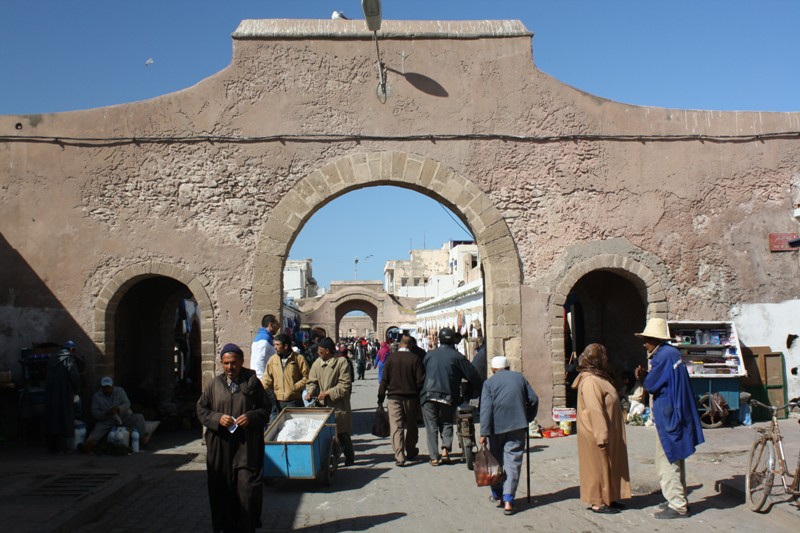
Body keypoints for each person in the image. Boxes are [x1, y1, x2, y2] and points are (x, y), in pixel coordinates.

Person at [636, 318, 704, 519]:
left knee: (668, 459)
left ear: (655, 340)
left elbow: (651, 384)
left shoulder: (662, 357)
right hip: (677, 410)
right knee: (676, 457)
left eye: (647, 340)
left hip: (669, 415)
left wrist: (642, 377)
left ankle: (677, 504)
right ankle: (677, 498)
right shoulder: (671, 354)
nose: (644, 344)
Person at [197, 343, 269, 533]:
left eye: (234, 363)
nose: (230, 367)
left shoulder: (253, 383)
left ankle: (247, 526)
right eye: (226, 363)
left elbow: (265, 409)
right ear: (221, 363)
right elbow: (201, 409)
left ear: (241, 361)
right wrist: (217, 418)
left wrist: (251, 417)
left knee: (247, 490)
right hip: (221, 448)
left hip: (246, 447)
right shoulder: (214, 385)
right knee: (222, 489)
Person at [572, 343, 631, 514]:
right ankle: (598, 501)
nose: (606, 359)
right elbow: (594, 409)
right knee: (597, 467)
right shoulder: (590, 381)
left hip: (607, 431)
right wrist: (601, 434)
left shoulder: (599, 377)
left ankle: (609, 497)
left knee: (608, 466)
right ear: (595, 359)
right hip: (596, 433)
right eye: (603, 356)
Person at [479, 356, 538, 516]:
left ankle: (497, 493)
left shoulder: (489, 383)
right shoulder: (519, 378)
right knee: (513, 461)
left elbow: (486, 409)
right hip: (517, 425)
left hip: (496, 428)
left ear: (492, 370)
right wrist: (527, 418)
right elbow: (533, 399)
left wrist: (483, 432)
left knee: (495, 461)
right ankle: (508, 499)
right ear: (509, 367)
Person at [421, 327, 484, 466]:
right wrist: (483, 387)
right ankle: (445, 451)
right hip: (448, 395)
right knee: (446, 422)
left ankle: (434, 457)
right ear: (453, 342)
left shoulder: (430, 355)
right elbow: (472, 374)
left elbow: (423, 372)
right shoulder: (457, 356)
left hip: (428, 395)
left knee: (431, 426)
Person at [305, 338, 355, 466]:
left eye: (320, 351)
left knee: (342, 432)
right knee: (326, 433)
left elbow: (344, 385)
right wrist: (310, 391)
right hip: (322, 405)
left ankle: (350, 456)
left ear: (328, 351)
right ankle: (330, 457)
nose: (318, 353)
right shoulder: (317, 363)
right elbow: (312, 381)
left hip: (338, 405)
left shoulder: (341, 363)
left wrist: (328, 393)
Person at [378, 335, 425, 467]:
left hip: (393, 398)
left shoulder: (391, 358)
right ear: (410, 346)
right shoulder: (415, 359)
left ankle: (399, 455)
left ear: (400, 344)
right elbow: (420, 380)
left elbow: (384, 380)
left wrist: (380, 397)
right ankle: (410, 451)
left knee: (396, 426)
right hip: (411, 398)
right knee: (411, 425)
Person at [85, 376, 147, 451]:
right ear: (101, 388)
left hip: (123, 417)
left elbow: (127, 403)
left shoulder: (120, 391)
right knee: (91, 439)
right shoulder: (97, 397)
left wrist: (118, 408)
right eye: (105, 388)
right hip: (106, 420)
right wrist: (105, 413)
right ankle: (89, 447)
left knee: (139, 417)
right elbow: (94, 412)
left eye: (109, 387)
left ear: (112, 386)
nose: (107, 390)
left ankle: (144, 442)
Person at [43, 344, 81, 453]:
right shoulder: (69, 358)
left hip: (51, 393)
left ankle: (52, 447)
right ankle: (63, 447)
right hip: (64, 392)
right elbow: (74, 375)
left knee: (52, 418)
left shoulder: (52, 358)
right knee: (64, 417)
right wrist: (77, 389)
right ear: (71, 349)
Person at [261, 333, 309, 417]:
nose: (275, 347)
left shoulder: (298, 359)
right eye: (274, 344)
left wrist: (294, 387)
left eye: (277, 344)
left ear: (286, 346)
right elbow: (267, 379)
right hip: (277, 401)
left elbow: (307, 377)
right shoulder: (272, 360)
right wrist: (260, 390)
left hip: (293, 401)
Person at [251, 314, 279, 380]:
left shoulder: (262, 338)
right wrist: (263, 380)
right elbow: (260, 360)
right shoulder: (264, 340)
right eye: (277, 324)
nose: (278, 327)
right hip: (261, 380)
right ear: (270, 325)